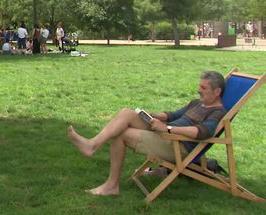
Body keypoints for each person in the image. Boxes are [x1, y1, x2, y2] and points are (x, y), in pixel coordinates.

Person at [67, 71, 226, 196]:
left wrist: (168, 129)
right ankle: (92, 145)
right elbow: (173, 115)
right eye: (200, 86)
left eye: (204, 88)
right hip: (165, 133)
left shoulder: (217, 112)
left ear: (217, 91)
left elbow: (203, 132)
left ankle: (111, 185)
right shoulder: (197, 103)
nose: (199, 90)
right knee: (126, 113)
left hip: (178, 146)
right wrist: (153, 115)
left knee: (122, 134)